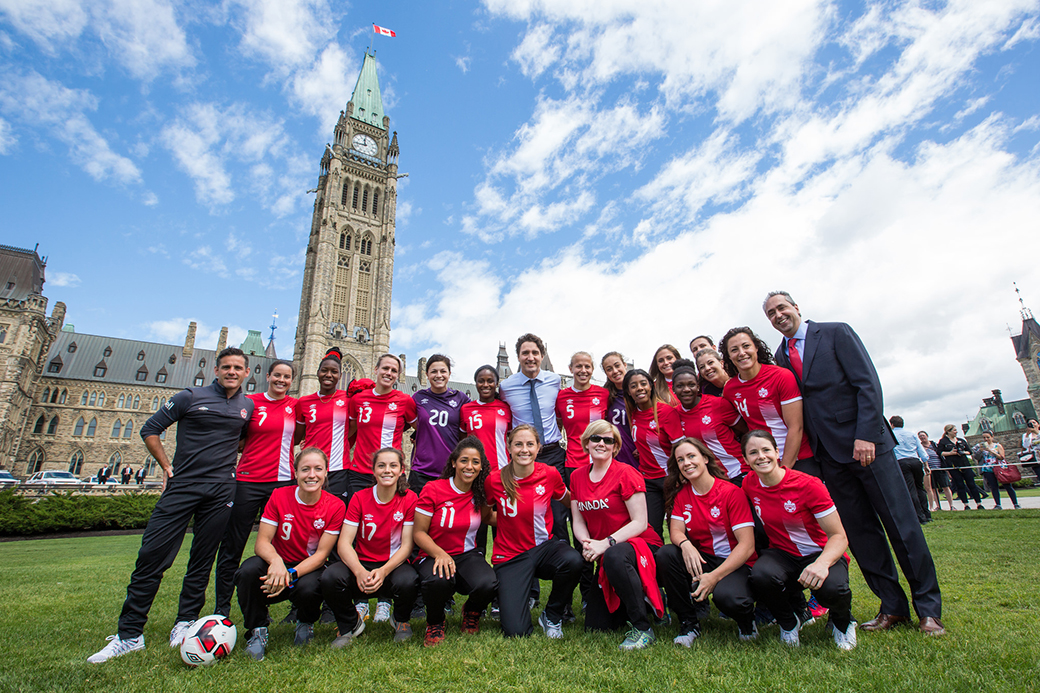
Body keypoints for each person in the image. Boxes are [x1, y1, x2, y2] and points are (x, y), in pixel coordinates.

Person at [764, 290, 944, 636]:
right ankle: (892, 606)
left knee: (902, 527)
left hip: (867, 448)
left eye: (782, 308)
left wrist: (866, 435)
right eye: (771, 313)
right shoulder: (780, 356)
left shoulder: (835, 333)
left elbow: (867, 384)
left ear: (796, 307)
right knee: (861, 535)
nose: (778, 315)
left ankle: (928, 609)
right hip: (829, 457)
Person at [88, 347, 253, 663]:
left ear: (246, 372)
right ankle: (129, 634)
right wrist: (166, 466)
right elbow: (150, 429)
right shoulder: (190, 396)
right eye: (227, 367)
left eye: (238, 368)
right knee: (152, 556)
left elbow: (242, 439)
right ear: (217, 370)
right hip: (183, 487)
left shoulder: (246, 406)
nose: (232, 372)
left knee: (202, 561)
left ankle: (185, 622)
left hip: (221, 491)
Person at [742, 430, 856, 649]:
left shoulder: (809, 485)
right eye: (753, 453)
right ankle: (788, 622)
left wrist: (822, 564)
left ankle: (843, 623)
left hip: (820, 553)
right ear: (746, 460)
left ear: (777, 452)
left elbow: (839, 536)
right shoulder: (750, 484)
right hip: (783, 554)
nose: (761, 456)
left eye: (766, 450)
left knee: (832, 590)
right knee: (761, 576)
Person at [236, 447, 346, 659]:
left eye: (317, 469)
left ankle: (305, 623)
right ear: (295, 473)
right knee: (248, 572)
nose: (311, 475)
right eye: (305, 469)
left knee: (311, 586)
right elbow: (262, 543)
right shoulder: (279, 495)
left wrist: (290, 574)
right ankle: (257, 630)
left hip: (307, 567)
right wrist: (276, 562)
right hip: (277, 561)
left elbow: (321, 555)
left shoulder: (335, 505)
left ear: (325, 473)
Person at [569, 420, 664, 650]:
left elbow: (640, 522)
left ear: (615, 446)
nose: (601, 443)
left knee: (614, 555)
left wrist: (605, 543)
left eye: (608, 440)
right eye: (596, 438)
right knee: (596, 626)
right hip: (605, 550)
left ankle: (643, 628)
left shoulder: (626, 473)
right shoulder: (576, 477)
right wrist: (587, 543)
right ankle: (643, 600)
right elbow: (578, 520)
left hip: (639, 545)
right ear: (586, 443)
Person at [214, 359, 298, 617]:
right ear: (268, 376)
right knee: (232, 546)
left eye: (286, 377)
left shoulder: (296, 406)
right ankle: (221, 609)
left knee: (289, 546)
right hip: (248, 482)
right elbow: (233, 438)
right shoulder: (249, 402)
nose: (281, 381)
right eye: (277, 376)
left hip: (283, 484)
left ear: (291, 381)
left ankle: (297, 606)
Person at [484, 425, 583, 639]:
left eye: (530, 444)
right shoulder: (494, 479)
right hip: (510, 555)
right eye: (518, 444)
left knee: (573, 560)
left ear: (538, 448)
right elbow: (486, 515)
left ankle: (552, 614)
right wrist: (509, 520)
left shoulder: (549, 474)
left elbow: (570, 501)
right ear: (509, 447)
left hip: (543, 548)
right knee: (516, 631)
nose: (524, 450)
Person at [657, 437, 757, 644]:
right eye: (681, 460)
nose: (687, 463)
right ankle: (689, 624)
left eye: (691, 456)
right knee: (667, 554)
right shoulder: (683, 494)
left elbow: (747, 546)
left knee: (728, 598)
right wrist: (685, 545)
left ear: (704, 458)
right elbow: (676, 531)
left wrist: (714, 577)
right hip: (705, 558)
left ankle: (747, 622)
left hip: (736, 561)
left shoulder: (731, 493)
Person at [321, 448, 420, 645]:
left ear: (402, 470)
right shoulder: (359, 497)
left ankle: (401, 620)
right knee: (330, 577)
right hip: (363, 563)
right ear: (373, 470)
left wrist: (383, 571)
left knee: (410, 580)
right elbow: (344, 543)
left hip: (392, 565)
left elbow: (407, 546)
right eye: (381, 465)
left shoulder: (409, 498)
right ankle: (349, 624)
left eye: (393, 465)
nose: (387, 470)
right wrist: (358, 571)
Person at [413, 437, 497, 647]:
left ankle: (471, 612)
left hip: (467, 554)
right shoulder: (433, 489)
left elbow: (488, 518)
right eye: (464, 460)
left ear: (481, 466)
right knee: (437, 580)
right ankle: (435, 622)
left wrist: (521, 514)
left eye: (475, 462)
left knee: (488, 582)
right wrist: (439, 554)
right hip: (434, 553)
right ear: (453, 463)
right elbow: (419, 533)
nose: (469, 466)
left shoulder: (481, 493)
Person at [720, 326, 816, 476]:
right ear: (729, 357)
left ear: (756, 348)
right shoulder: (730, 390)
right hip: (763, 463)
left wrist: (784, 471)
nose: (742, 353)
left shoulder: (781, 376)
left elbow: (796, 427)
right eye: (734, 350)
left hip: (798, 459)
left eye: (746, 346)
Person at [499, 334, 568, 541]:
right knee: (526, 512)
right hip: (525, 457)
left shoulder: (554, 381)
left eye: (535, 353)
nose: (530, 357)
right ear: (518, 357)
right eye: (525, 353)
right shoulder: (506, 386)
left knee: (558, 514)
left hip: (553, 453)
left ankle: (564, 561)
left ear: (542, 355)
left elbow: (559, 413)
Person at [622, 368, 684, 542]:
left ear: (651, 386)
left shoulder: (666, 412)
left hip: (670, 479)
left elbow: (680, 448)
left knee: (678, 529)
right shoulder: (633, 414)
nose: (639, 388)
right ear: (628, 391)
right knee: (652, 532)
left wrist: (679, 477)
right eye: (633, 386)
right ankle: (655, 567)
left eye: (643, 383)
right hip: (648, 482)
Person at [347, 354, 418, 499]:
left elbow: (422, 429)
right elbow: (349, 431)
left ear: (398, 375)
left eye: (393, 370)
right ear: (376, 369)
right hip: (360, 473)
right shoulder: (358, 399)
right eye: (385, 368)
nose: (389, 373)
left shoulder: (404, 401)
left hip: (391, 473)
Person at [670, 360, 747, 484]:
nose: (686, 389)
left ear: (698, 386)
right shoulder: (673, 414)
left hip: (736, 471)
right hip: (708, 480)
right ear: (673, 388)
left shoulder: (718, 404)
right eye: (680, 386)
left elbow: (745, 430)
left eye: (691, 384)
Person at [296, 348, 351, 500]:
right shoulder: (304, 402)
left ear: (340, 375)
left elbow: (355, 427)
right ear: (317, 372)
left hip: (338, 469)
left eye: (334, 371)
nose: (328, 375)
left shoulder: (348, 400)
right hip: (310, 468)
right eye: (324, 370)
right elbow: (297, 437)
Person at [410, 355, 470, 495]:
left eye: (443, 371)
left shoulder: (460, 398)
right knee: (418, 515)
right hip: (421, 471)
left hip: (450, 471)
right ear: (426, 374)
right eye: (433, 371)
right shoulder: (418, 397)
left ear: (449, 373)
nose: (438, 375)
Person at [555, 351, 610, 483]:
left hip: (601, 461)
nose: (583, 371)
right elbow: (558, 425)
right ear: (571, 369)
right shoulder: (561, 396)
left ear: (592, 369)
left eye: (587, 366)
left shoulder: (603, 394)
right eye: (579, 366)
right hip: (573, 463)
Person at [460, 365, 513, 472]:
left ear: (496, 384)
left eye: (490, 381)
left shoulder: (506, 408)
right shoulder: (466, 409)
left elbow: (512, 437)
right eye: (481, 381)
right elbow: (462, 439)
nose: (485, 385)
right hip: (475, 470)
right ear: (476, 383)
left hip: (502, 469)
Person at [600, 352, 639, 470]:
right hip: (618, 455)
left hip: (640, 453)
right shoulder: (605, 396)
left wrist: (644, 446)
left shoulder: (640, 391)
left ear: (625, 365)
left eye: (617, 365)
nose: (615, 371)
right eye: (609, 369)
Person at [890, 416, 931, 524]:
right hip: (915, 460)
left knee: (910, 489)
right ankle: (927, 514)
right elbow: (920, 449)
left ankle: (919, 516)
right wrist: (925, 462)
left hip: (902, 461)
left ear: (892, 424)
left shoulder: (892, 434)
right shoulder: (911, 434)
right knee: (920, 488)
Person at [936, 425, 984, 511]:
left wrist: (963, 452)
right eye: (954, 430)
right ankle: (966, 504)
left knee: (971, 484)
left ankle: (979, 503)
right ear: (948, 431)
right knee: (960, 485)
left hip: (965, 464)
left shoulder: (961, 440)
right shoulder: (943, 441)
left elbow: (970, 452)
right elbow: (939, 453)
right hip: (953, 466)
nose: (956, 432)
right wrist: (951, 453)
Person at [978, 431, 1020, 510]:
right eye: (984, 437)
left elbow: (1001, 457)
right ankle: (998, 504)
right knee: (994, 487)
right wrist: (980, 451)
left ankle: (1015, 504)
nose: (986, 439)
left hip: (999, 468)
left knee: (1007, 486)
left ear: (992, 437)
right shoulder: (982, 447)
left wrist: (990, 450)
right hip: (988, 468)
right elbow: (977, 457)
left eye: (988, 437)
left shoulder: (997, 445)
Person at [919, 431, 954, 512]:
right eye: (920, 436)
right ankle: (938, 505)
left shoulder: (934, 445)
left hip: (939, 468)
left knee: (945, 486)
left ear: (927, 436)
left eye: (923, 435)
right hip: (929, 470)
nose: (922, 437)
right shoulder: (920, 447)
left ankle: (951, 505)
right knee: (934, 488)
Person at [1021, 418, 1040, 486]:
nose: (1032, 424)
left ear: (1038, 424)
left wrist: (1036, 432)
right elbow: (1026, 446)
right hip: (1036, 459)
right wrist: (1027, 436)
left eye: (1034, 422)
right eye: (1030, 423)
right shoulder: (1026, 435)